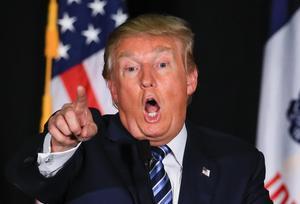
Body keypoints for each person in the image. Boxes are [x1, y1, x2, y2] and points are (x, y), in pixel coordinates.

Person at [6, 14, 272, 204]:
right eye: (131, 68)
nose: (147, 79)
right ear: (113, 88)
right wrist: (61, 145)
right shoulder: (83, 147)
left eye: (162, 65)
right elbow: (29, 180)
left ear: (190, 79)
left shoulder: (238, 163)